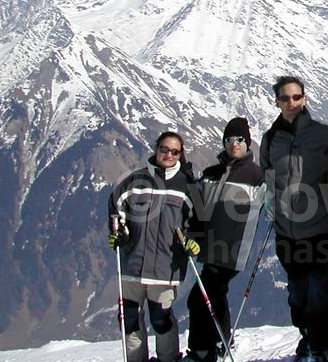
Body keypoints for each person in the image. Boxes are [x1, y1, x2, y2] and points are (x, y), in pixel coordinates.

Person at [260, 76, 328, 362]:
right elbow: (267, 172)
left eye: (296, 97)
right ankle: (306, 334)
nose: (291, 103)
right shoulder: (270, 138)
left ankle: (320, 346)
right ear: (277, 102)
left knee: (317, 286)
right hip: (286, 228)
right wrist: (268, 197)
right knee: (296, 290)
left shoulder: (326, 132)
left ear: (305, 98)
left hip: (321, 224)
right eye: (285, 98)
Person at [108, 131, 201, 362]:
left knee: (161, 319)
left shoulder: (188, 186)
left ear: (180, 155)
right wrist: (118, 233)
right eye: (164, 149)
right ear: (156, 149)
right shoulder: (133, 180)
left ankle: (168, 359)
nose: (168, 154)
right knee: (130, 318)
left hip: (165, 268)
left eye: (174, 151)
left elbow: (199, 221)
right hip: (133, 265)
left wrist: (192, 241)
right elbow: (115, 211)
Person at [182, 118, 265, 362]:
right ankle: (220, 340)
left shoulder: (256, 175)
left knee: (199, 298)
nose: (234, 144)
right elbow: (199, 208)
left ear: (247, 143)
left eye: (239, 139)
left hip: (233, 248)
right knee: (215, 295)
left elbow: (276, 199)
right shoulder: (211, 174)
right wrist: (190, 183)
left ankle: (201, 351)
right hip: (210, 247)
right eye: (229, 140)